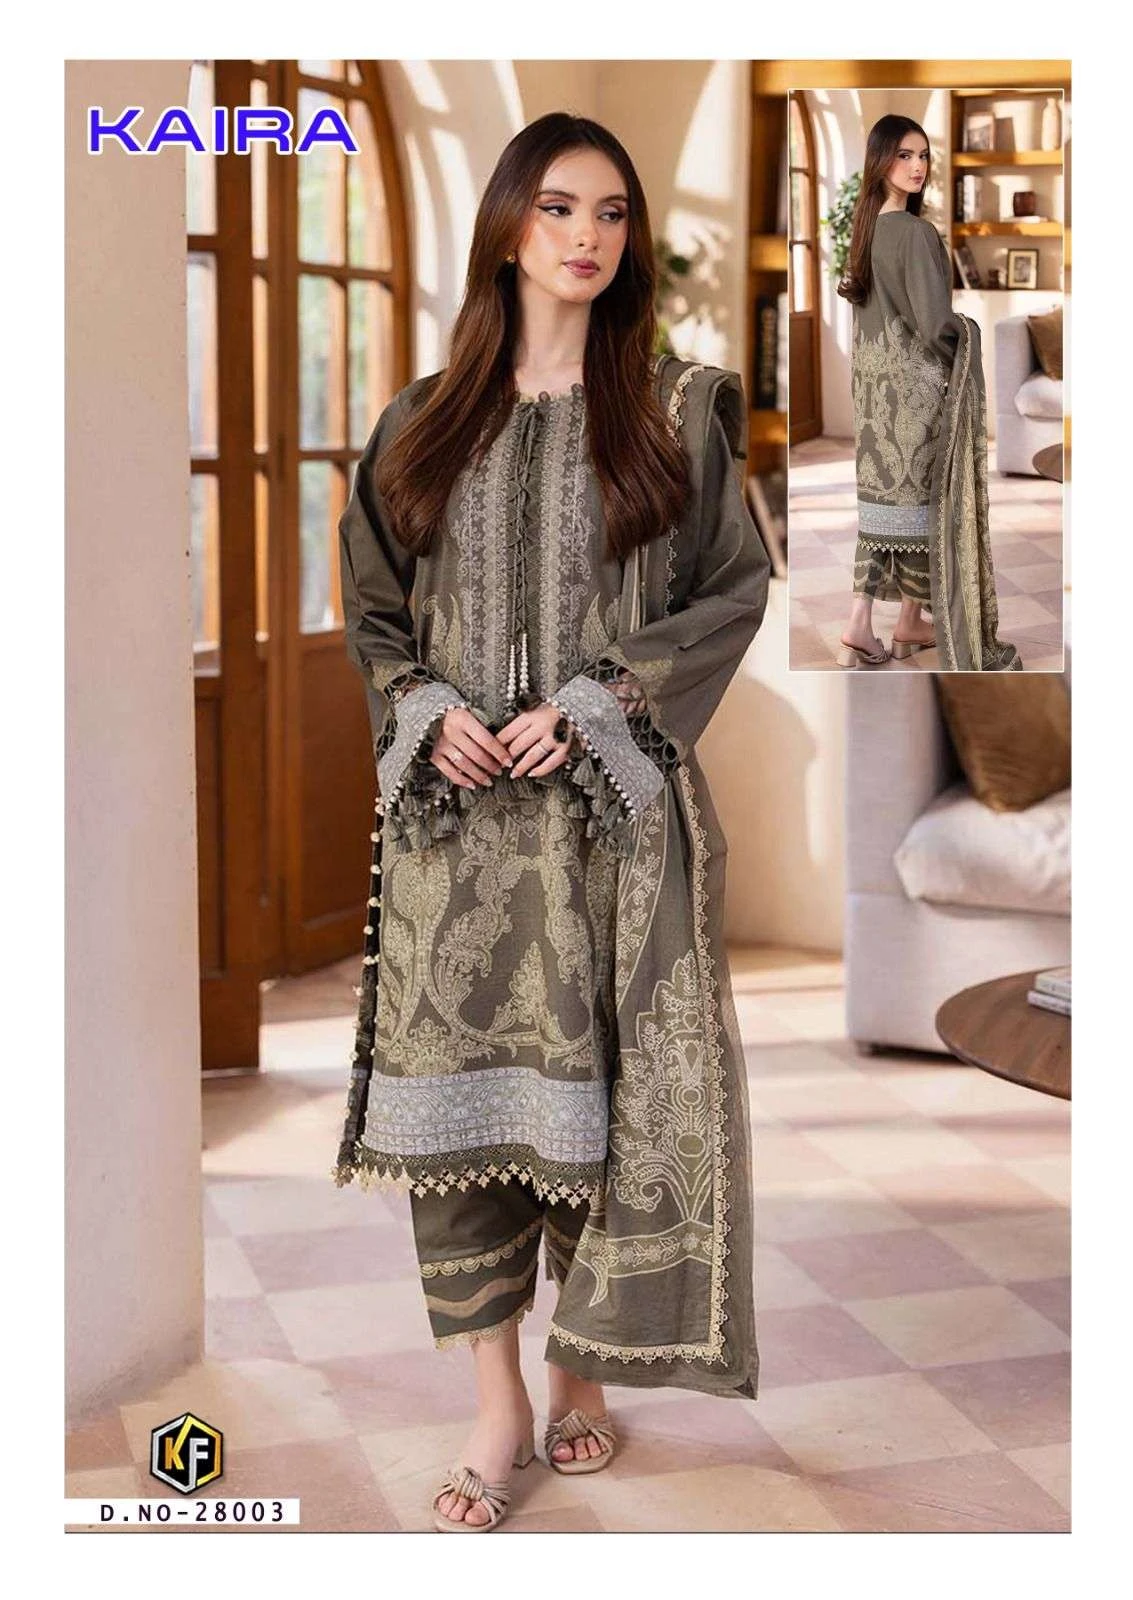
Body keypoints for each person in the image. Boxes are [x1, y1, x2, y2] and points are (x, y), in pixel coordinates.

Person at [332, 111, 771, 1533]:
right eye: (561, 208)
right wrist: (417, 704)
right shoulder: (420, 419)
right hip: (457, 837)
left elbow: (732, 589)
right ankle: (497, 1403)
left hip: (610, 828)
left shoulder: (676, 410)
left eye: (614, 213)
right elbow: (374, 606)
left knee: (606, 1107)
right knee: (463, 1122)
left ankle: (582, 1372)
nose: (588, 236)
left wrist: (602, 700)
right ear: (510, 225)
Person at [836, 114, 1020, 672]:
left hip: (873, 396)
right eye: (903, 155)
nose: (917, 167)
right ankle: (868, 625)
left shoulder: (864, 233)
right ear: (880, 162)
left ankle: (900, 624)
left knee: (885, 508)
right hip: (916, 394)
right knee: (925, 506)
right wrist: (968, 334)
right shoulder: (915, 234)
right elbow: (935, 324)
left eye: (922, 156)